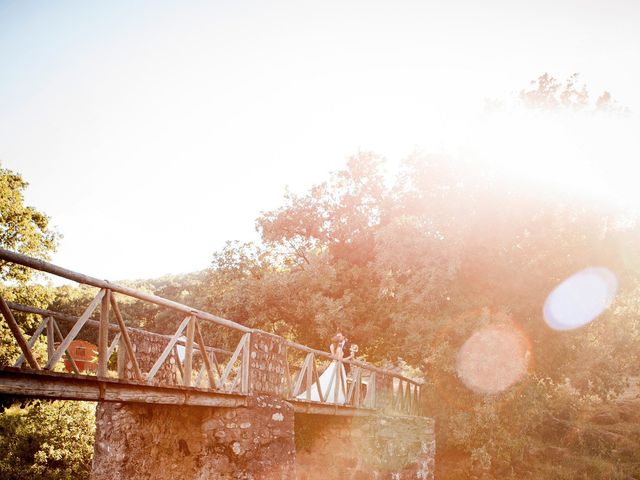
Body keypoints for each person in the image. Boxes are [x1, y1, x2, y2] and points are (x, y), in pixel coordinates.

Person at [296, 334, 348, 404]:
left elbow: (333, 356)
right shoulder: (339, 349)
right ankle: (334, 398)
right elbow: (340, 359)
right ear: (339, 341)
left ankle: (326, 396)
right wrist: (350, 357)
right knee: (337, 382)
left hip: (334, 364)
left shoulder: (332, 346)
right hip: (339, 365)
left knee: (329, 380)